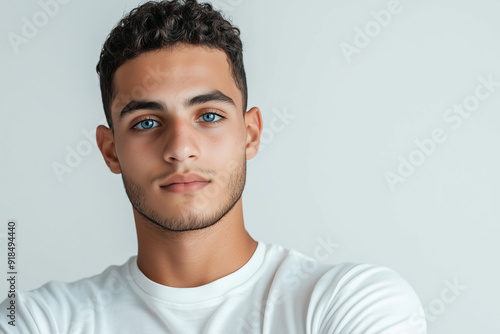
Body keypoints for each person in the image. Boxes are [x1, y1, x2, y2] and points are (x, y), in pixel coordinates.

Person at [0, 1, 427, 333]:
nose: (181, 149)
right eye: (147, 122)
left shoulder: (348, 302)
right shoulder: (39, 320)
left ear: (250, 134)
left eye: (208, 116)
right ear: (111, 150)